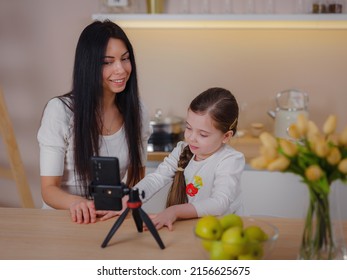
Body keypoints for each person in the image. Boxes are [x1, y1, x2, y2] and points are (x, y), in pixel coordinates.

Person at [37, 20, 151, 224]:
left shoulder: (137, 111)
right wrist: (77, 203)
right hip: (63, 220)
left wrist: (124, 202)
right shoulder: (60, 111)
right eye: (107, 62)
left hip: (109, 218)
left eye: (125, 59)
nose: (121, 70)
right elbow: (49, 190)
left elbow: (136, 179)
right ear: (89, 65)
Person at [134, 87, 245, 230]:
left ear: (226, 136)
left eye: (203, 134)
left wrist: (175, 211)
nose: (191, 138)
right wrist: (129, 199)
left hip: (223, 232)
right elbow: (157, 178)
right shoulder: (182, 149)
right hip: (190, 228)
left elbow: (219, 202)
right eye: (188, 128)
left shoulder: (231, 160)